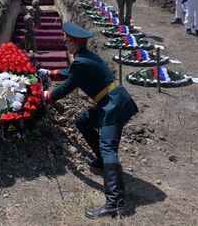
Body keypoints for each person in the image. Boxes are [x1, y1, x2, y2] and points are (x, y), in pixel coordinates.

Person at [37, 22, 138, 218]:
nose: (64, 42)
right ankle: (101, 161)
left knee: (109, 146)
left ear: (74, 43)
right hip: (112, 101)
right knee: (83, 121)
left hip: (114, 106)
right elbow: (71, 73)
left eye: (67, 40)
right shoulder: (84, 58)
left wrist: (46, 96)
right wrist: (49, 73)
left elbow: (67, 86)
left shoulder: (81, 62)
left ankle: (115, 202)